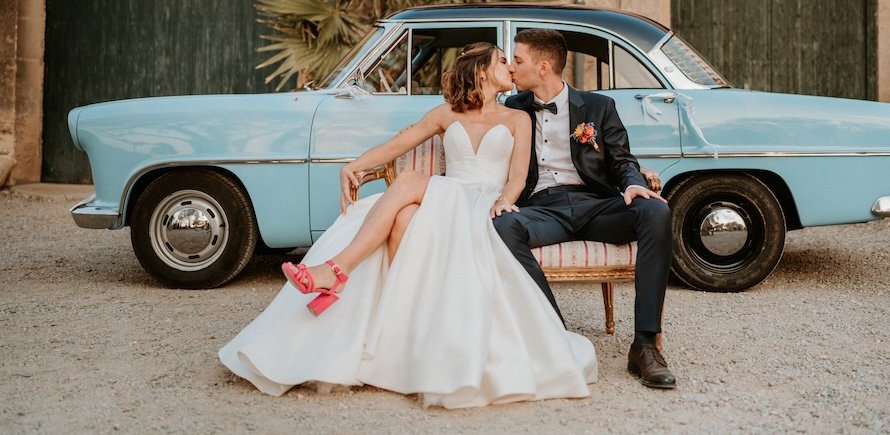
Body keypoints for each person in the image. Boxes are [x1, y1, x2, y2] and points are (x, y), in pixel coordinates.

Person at [219, 43, 597, 408]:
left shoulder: (518, 118)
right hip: (448, 194)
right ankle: (397, 328)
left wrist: (503, 202)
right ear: (482, 71)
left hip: (483, 202)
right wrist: (355, 166)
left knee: (408, 185)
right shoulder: (446, 113)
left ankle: (338, 270)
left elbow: (516, 178)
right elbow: (399, 143)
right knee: (402, 215)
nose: (511, 68)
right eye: (502, 61)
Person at [493, 28, 677, 389]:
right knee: (503, 227)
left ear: (544, 67)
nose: (512, 69)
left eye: (518, 60)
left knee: (656, 211)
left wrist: (634, 184)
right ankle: (555, 335)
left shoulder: (598, 107)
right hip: (543, 209)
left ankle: (645, 345)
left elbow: (622, 159)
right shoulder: (512, 108)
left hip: (597, 206)